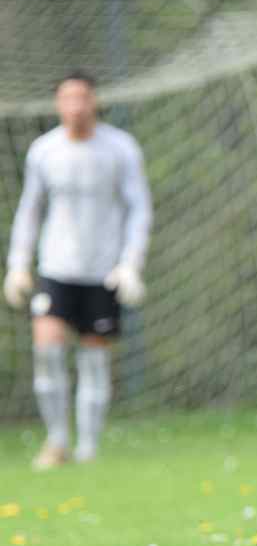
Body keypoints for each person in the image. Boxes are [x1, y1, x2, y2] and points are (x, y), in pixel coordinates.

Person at [5, 71, 151, 470]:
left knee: (93, 360)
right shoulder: (43, 151)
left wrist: (131, 263)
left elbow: (139, 207)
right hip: (57, 268)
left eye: (82, 97)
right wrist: (18, 264)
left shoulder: (120, 149)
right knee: (47, 352)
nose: (76, 106)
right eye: (67, 98)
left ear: (94, 101)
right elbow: (30, 210)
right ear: (57, 104)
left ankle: (87, 450)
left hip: (103, 270)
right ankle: (56, 442)